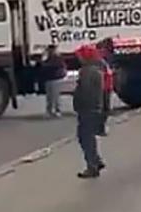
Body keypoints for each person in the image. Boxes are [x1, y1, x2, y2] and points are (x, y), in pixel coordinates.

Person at [73, 44, 107, 178]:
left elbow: (85, 91)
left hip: (87, 109)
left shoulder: (87, 71)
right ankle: (96, 160)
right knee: (89, 137)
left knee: (85, 138)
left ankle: (92, 165)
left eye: (80, 56)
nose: (79, 58)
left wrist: (79, 104)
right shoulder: (98, 70)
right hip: (95, 108)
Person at [41, 44, 67, 118]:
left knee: (56, 96)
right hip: (49, 79)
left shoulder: (57, 57)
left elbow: (50, 65)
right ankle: (49, 111)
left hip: (55, 78)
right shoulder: (47, 57)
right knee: (49, 97)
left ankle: (57, 110)